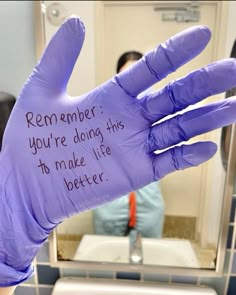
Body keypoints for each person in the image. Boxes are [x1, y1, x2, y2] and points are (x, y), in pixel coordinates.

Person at [1, 17, 236, 295]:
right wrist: (12, 225)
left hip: (146, 198)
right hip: (108, 199)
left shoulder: (158, 129)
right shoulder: (95, 124)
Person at [93, 51, 164, 238]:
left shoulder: (160, 111)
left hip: (149, 198)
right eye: (127, 75)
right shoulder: (100, 112)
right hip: (109, 198)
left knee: (149, 255)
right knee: (106, 255)